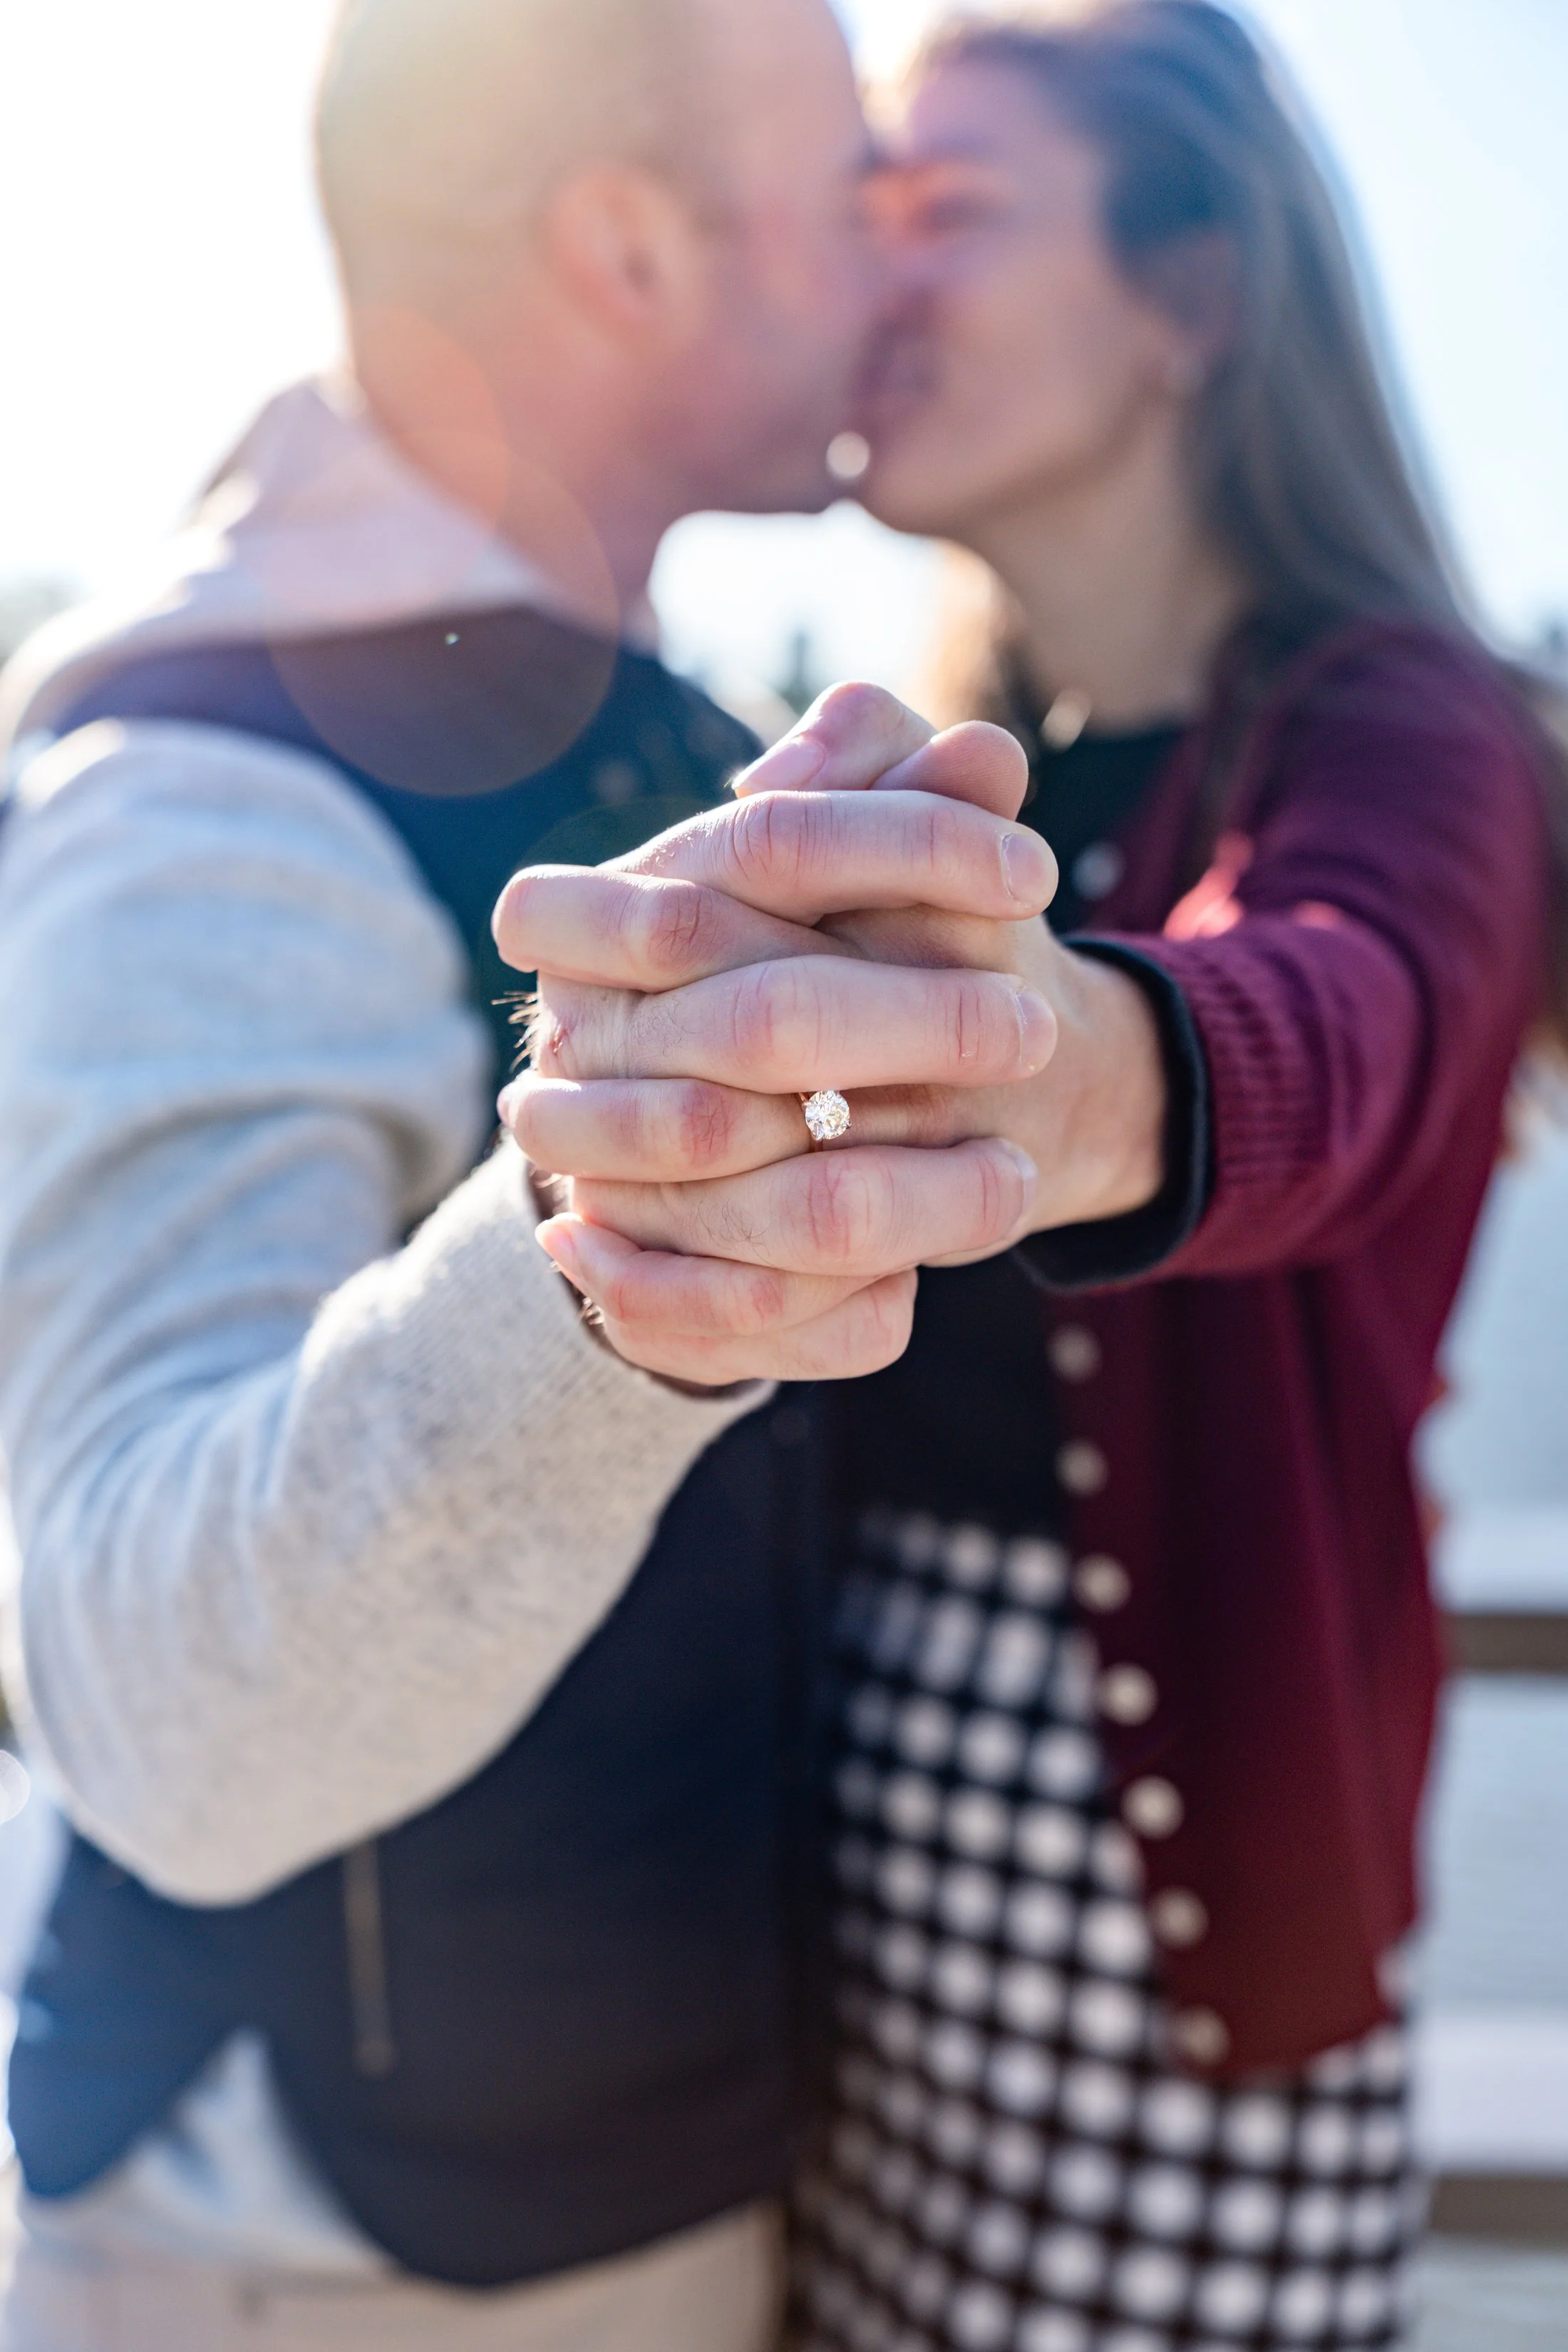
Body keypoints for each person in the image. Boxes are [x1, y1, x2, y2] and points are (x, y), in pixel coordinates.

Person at [0, 3, 1079, 2346]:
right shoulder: (200, 782)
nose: (899, 256)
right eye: (839, 187)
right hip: (321, 2251)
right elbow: (147, 1699)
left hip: (641, 2188)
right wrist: (640, 1252)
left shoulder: (654, 724)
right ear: (624, 244)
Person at [492, 6, 1566, 2346]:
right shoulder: (947, 764)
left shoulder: (1412, 724)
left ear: (1192, 294)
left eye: (948, 208)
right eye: (864, 211)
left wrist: (1066, 1061)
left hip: (1158, 2003)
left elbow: (1340, 1014)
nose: (876, 275)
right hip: (840, 1938)